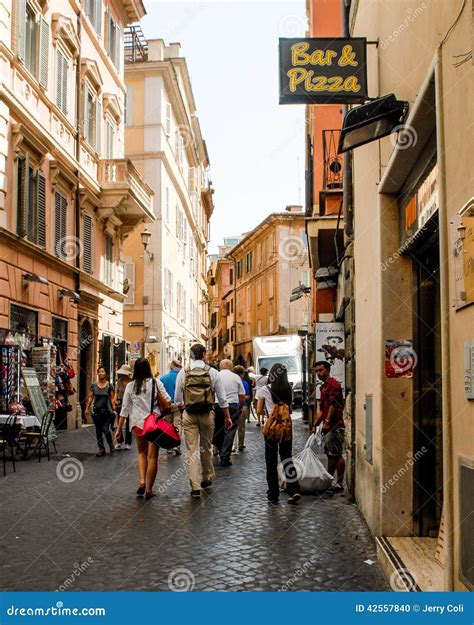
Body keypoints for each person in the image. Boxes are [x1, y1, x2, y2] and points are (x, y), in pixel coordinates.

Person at [175, 344, 232, 498]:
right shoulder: (213, 372)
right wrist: (227, 417)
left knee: (191, 450)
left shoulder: (183, 372)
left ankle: (195, 486)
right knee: (206, 446)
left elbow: (177, 399)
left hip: (189, 414)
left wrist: (183, 411)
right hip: (207, 414)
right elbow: (222, 398)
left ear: (191, 355)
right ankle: (207, 477)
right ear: (204, 355)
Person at [115, 358, 171, 500]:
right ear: (148, 369)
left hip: (138, 424)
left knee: (141, 453)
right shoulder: (156, 383)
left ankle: (141, 481)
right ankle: (149, 489)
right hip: (154, 424)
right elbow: (168, 400)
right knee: (153, 456)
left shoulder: (131, 386)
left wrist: (119, 428)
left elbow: (125, 409)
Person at [256, 363, 301, 505]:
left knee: (271, 461)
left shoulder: (264, 389)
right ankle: (294, 489)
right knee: (287, 458)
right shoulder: (288, 389)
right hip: (286, 427)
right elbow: (290, 409)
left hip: (272, 428)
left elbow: (258, 411)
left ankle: (273, 492)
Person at [312, 360, 345, 491]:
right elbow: (322, 409)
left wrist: (327, 422)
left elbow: (333, 405)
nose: (318, 373)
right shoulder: (323, 387)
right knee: (332, 454)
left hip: (335, 425)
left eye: (321, 370)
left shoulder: (333, 385)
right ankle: (333, 481)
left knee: (335, 454)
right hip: (328, 426)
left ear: (327, 370)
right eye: (316, 371)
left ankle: (335, 481)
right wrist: (315, 425)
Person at [214, 360, 246, 466]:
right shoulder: (236, 377)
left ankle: (220, 450)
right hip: (232, 405)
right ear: (231, 367)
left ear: (220, 366)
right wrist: (240, 407)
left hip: (217, 405)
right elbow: (242, 395)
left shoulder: (215, 375)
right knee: (230, 431)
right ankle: (225, 456)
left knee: (218, 429)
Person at [85, 366, 116, 457]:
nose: (101, 373)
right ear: (97, 373)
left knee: (105, 429)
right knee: (98, 430)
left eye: (103, 371)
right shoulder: (94, 386)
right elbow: (90, 397)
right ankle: (101, 448)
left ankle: (110, 444)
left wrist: (114, 408)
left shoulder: (109, 385)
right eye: (99, 371)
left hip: (106, 411)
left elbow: (112, 398)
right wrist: (87, 408)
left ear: (105, 373)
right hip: (96, 411)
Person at [160, 359, 183, 456]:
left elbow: (160, 393)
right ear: (177, 367)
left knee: (168, 425)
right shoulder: (181, 377)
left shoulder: (163, 378)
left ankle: (169, 446)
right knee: (177, 424)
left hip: (167, 404)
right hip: (178, 404)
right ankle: (176, 445)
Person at [114, 364, 133, 450]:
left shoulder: (132, 382)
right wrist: (114, 401)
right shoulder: (119, 381)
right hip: (120, 404)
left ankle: (128, 442)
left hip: (130, 404)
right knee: (119, 423)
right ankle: (119, 441)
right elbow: (116, 392)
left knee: (129, 424)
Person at [233, 365, 251, 451]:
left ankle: (233, 445)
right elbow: (247, 396)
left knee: (231, 427)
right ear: (241, 374)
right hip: (243, 406)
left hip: (232, 406)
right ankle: (240, 444)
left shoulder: (231, 382)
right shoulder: (244, 383)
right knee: (241, 427)